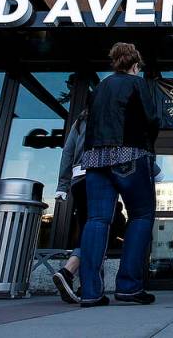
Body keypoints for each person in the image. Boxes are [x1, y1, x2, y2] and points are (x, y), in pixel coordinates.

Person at [78, 42, 159, 308]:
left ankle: (89, 291)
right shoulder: (138, 84)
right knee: (141, 216)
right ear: (135, 65)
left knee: (97, 220)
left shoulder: (100, 87)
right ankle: (128, 286)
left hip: (94, 157)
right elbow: (153, 119)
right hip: (129, 155)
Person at [51, 107, 88, 304]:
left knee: (86, 228)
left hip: (78, 180)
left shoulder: (80, 120)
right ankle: (69, 271)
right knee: (96, 230)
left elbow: (68, 152)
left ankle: (86, 285)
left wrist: (63, 185)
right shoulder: (108, 114)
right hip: (98, 176)